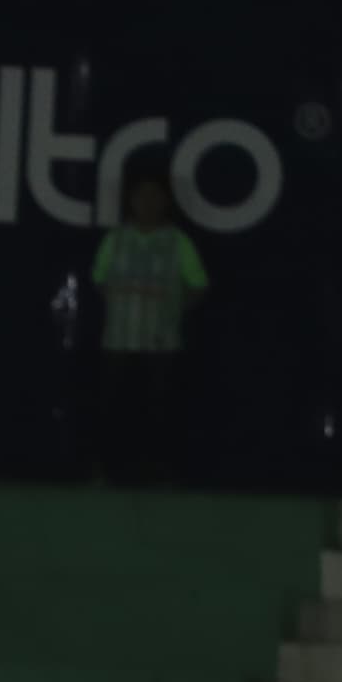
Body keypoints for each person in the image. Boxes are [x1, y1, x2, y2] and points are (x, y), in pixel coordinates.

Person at [88, 166, 208, 484]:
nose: (148, 202)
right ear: (130, 200)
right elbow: (99, 280)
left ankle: (159, 472)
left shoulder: (178, 242)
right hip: (118, 340)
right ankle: (105, 469)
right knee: (111, 408)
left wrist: (171, 311)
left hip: (162, 343)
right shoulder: (115, 239)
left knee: (160, 411)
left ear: (166, 201)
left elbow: (198, 285)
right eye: (141, 195)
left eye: (155, 195)